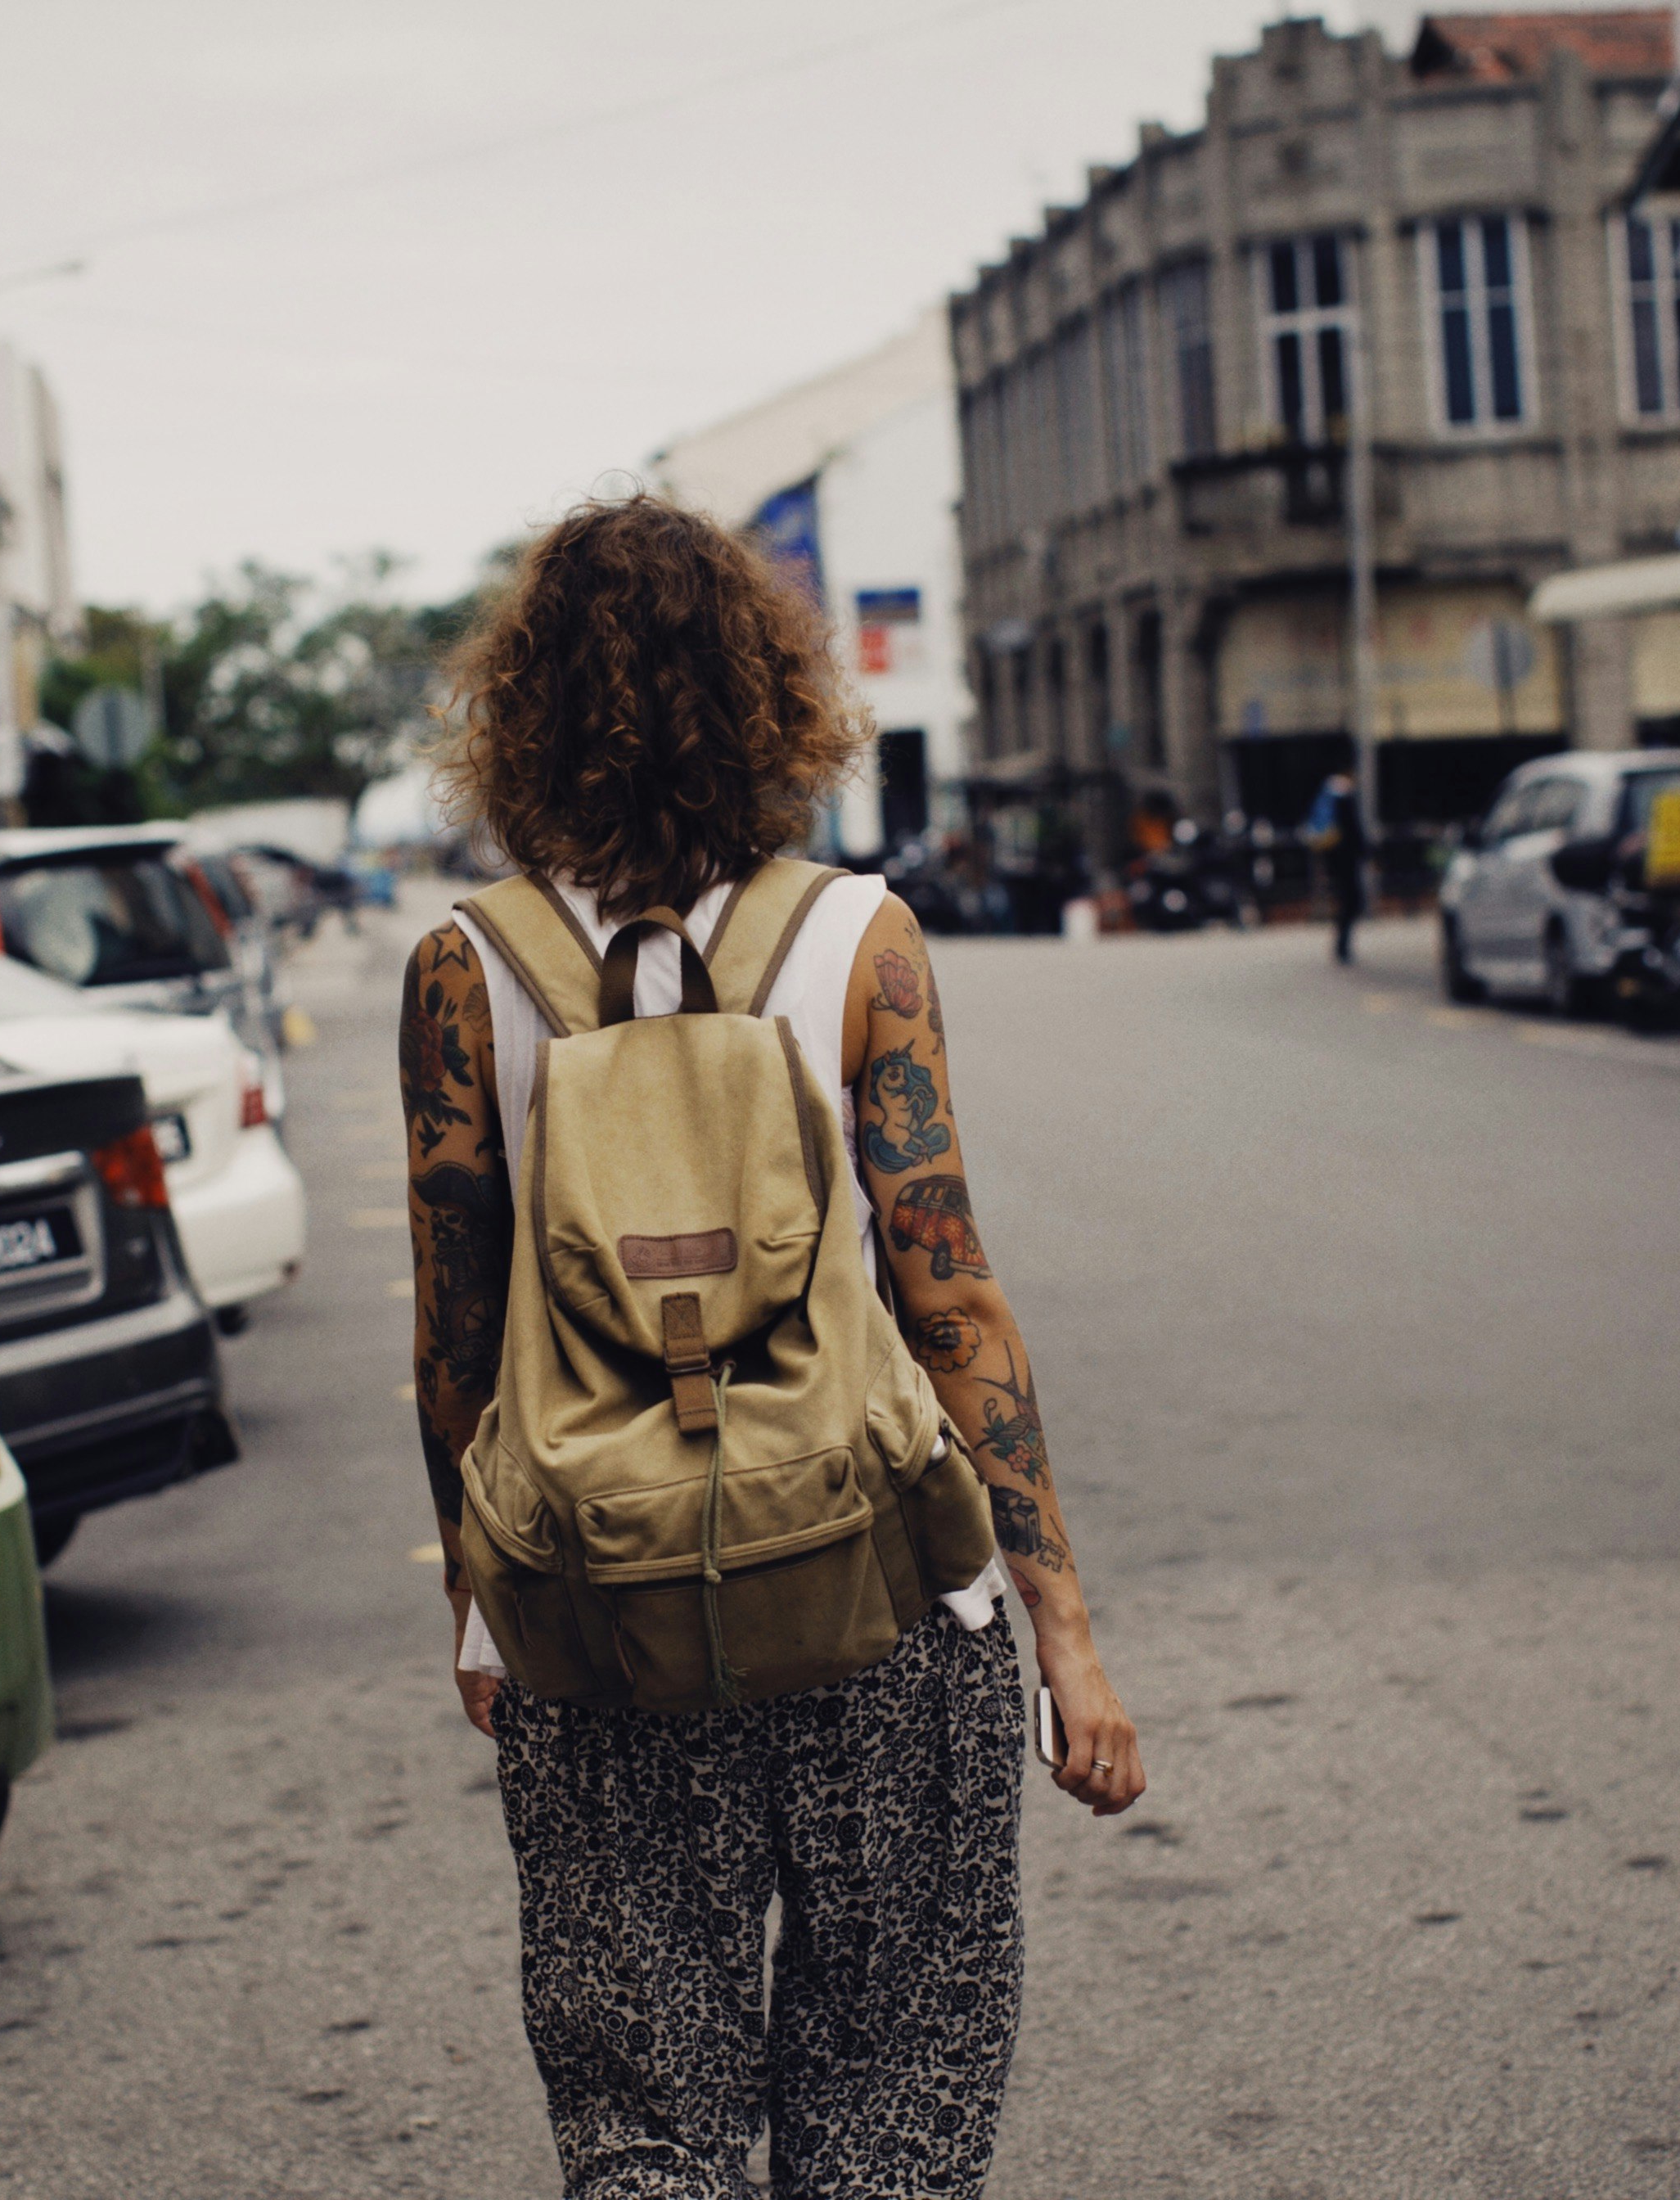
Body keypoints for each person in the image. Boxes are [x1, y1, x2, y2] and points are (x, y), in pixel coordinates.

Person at [400, 493, 1144, 2200]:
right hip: (883, 1597)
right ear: (769, 696)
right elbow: (948, 1300)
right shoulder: (854, 938)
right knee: (894, 2092)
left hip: (601, 1610)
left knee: (645, 2118)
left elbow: (456, 1339)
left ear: (522, 715)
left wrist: (475, 1598)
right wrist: (1066, 1637)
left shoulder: (470, 969)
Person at [1306, 769, 1367, 963]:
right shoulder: (1345, 798)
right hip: (1347, 859)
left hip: (1336, 858)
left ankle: (1342, 945)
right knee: (1352, 901)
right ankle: (1342, 946)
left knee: (1348, 901)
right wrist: (1365, 851)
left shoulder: (1331, 795)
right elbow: (1353, 829)